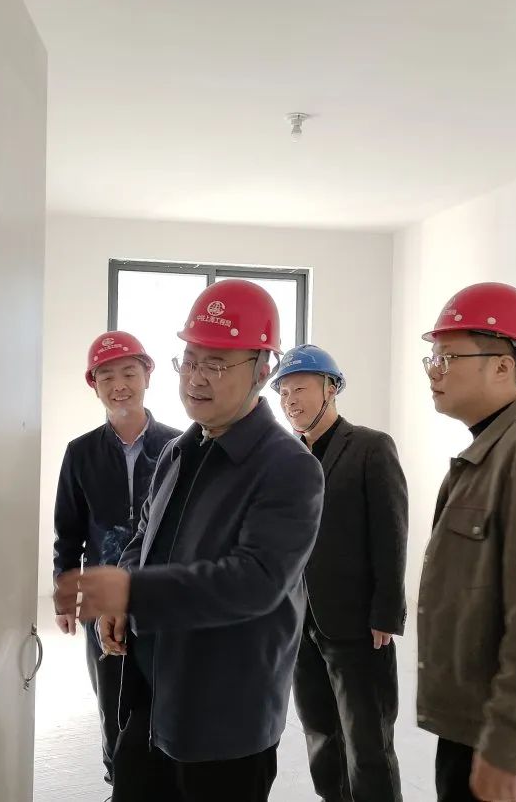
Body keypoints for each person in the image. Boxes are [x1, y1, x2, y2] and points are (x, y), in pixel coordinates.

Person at [55, 280, 325, 802]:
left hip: (225, 717)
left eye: (217, 364)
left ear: (262, 370)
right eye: (190, 360)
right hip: (152, 696)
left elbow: (256, 581)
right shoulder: (179, 451)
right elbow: (144, 538)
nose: (196, 378)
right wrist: (124, 593)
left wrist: (133, 592)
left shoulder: (289, 467)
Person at [416, 282, 516, 802]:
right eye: (432, 358)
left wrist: (509, 742)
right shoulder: (490, 450)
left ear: (503, 366)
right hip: (472, 728)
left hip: (505, 741)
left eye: (448, 357)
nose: (434, 371)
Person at [272, 344, 409, 802]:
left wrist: (386, 612)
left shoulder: (370, 447)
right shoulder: (285, 458)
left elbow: (391, 532)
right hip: (300, 624)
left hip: (356, 622)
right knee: (320, 736)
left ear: (330, 388)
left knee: (367, 743)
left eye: (299, 388)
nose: (290, 400)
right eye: (283, 392)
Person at [52, 330, 181, 790]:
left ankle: (164, 785)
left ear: (148, 376)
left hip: (161, 592)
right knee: (111, 697)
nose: (119, 385)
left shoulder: (179, 446)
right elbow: (68, 530)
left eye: (129, 372)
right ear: (95, 386)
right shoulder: (80, 452)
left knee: (166, 696)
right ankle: (118, 782)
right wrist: (64, 592)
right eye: (107, 376)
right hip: (101, 593)